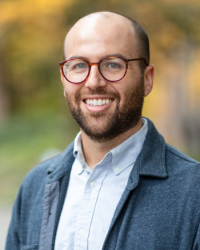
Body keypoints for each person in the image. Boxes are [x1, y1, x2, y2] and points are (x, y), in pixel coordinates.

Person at [6, 11, 200, 250]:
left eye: (113, 64)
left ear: (147, 79)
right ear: (64, 78)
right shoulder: (34, 187)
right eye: (78, 65)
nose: (93, 81)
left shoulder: (194, 192)